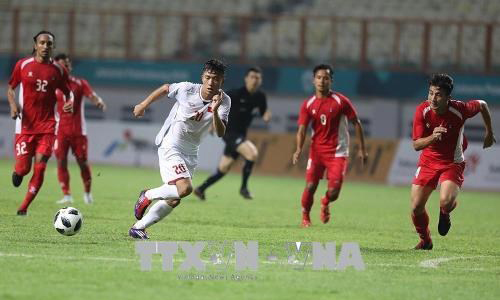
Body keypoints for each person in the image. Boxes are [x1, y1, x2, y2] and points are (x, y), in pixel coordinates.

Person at [128, 59, 231, 239]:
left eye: (215, 79)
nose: (210, 82)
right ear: (202, 77)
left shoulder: (224, 101)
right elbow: (165, 88)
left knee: (174, 198)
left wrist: (214, 110)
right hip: (171, 143)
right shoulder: (187, 89)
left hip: (191, 151)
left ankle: (138, 227)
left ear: (222, 80)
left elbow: (221, 132)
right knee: (184, 189)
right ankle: (148, 195)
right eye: (207, 77)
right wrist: (143, 105)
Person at [410, 73, 496, 250]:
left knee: (446, 201)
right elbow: (416, 145)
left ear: (448, 97)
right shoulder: (422, 110)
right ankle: (425, 240)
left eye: (438, 94)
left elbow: (482, 105)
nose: (433, 98)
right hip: (427, 162)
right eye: (430, 93)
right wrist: (432, 138)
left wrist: (489, 132)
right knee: (416, 207)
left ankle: (445, 212)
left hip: (452, 163)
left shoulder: (460, 109)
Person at [292, 64, 367, 228]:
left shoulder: (341, 101)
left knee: (334, 192)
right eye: (319, 78)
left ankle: (325, 201)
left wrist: (362, 149)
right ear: (313, 81)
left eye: (326, 78)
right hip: (317, 152)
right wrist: (298, 149)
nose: (322, 81)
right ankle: (305, 217)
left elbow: (357, 123)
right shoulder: (308, 104)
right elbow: (302, 130)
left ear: (331, 81)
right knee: (310, 186)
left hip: (338, 152)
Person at [7, 31, 73, 215]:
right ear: (35, 45)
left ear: (53, 47)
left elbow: (69, 93)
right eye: (42, 43)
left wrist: (69, 103)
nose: (45, 46)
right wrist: (13, 106)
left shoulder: (59, 70)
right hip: (25, 127)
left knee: (41, 165)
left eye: (49, 44)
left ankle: (24, 207)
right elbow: (10, 88)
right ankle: (19, 172)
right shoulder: (22, 65)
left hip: (48, 127)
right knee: (23, 168)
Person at [194, 66, 271, 200]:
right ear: (246, 79)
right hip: (229, 133)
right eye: (252, 77)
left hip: (241, 135)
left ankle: (201, 189)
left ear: (261, 81)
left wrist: (266, 115)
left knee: (224, 168)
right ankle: (244, 188)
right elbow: (217, 102)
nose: (254, 80)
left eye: (257, 78)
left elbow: (264, 111)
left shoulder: (260, 97)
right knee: (252, 154)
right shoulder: (235, 94)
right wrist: (213, 122)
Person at [53, 53, 106, 205]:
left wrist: (98, 102)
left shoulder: (80, 83)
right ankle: (67, 195)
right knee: (61, 161)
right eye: (63, 64)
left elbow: (92, 95)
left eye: (68, 63)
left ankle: (87, 193)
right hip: (60, 131)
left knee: (82, 162)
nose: (67, 66)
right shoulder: (52, 85)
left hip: (78, 131)